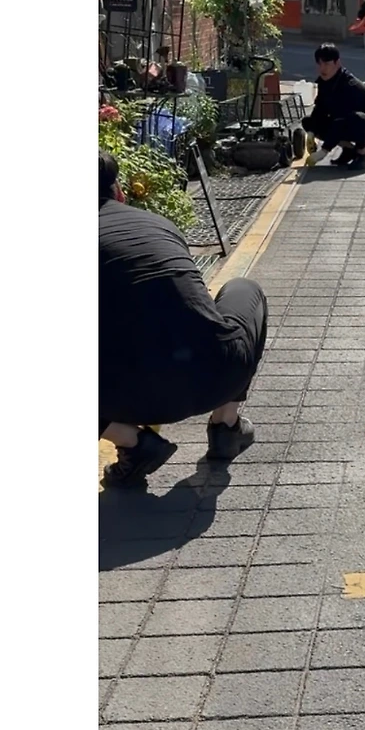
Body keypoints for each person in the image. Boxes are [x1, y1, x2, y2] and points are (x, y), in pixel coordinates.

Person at [99, 152, 268, 483]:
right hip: (218, 376)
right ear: (119, 191)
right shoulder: (156, 223)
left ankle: (131, 441)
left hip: (126, 401)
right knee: (244, 288)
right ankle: (226, 425)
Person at [302, 42, 365, 170]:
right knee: (308, 121)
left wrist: (323, 151)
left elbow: (343, 119)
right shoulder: (324, 82)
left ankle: (362, 155)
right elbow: (319, 109)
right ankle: (348, 149)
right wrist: (311, 132)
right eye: (319, 64)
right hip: (342, 121)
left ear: (337, 63)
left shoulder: (349, 85)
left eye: (327, 64)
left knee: (354, 118)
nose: (322, 68)